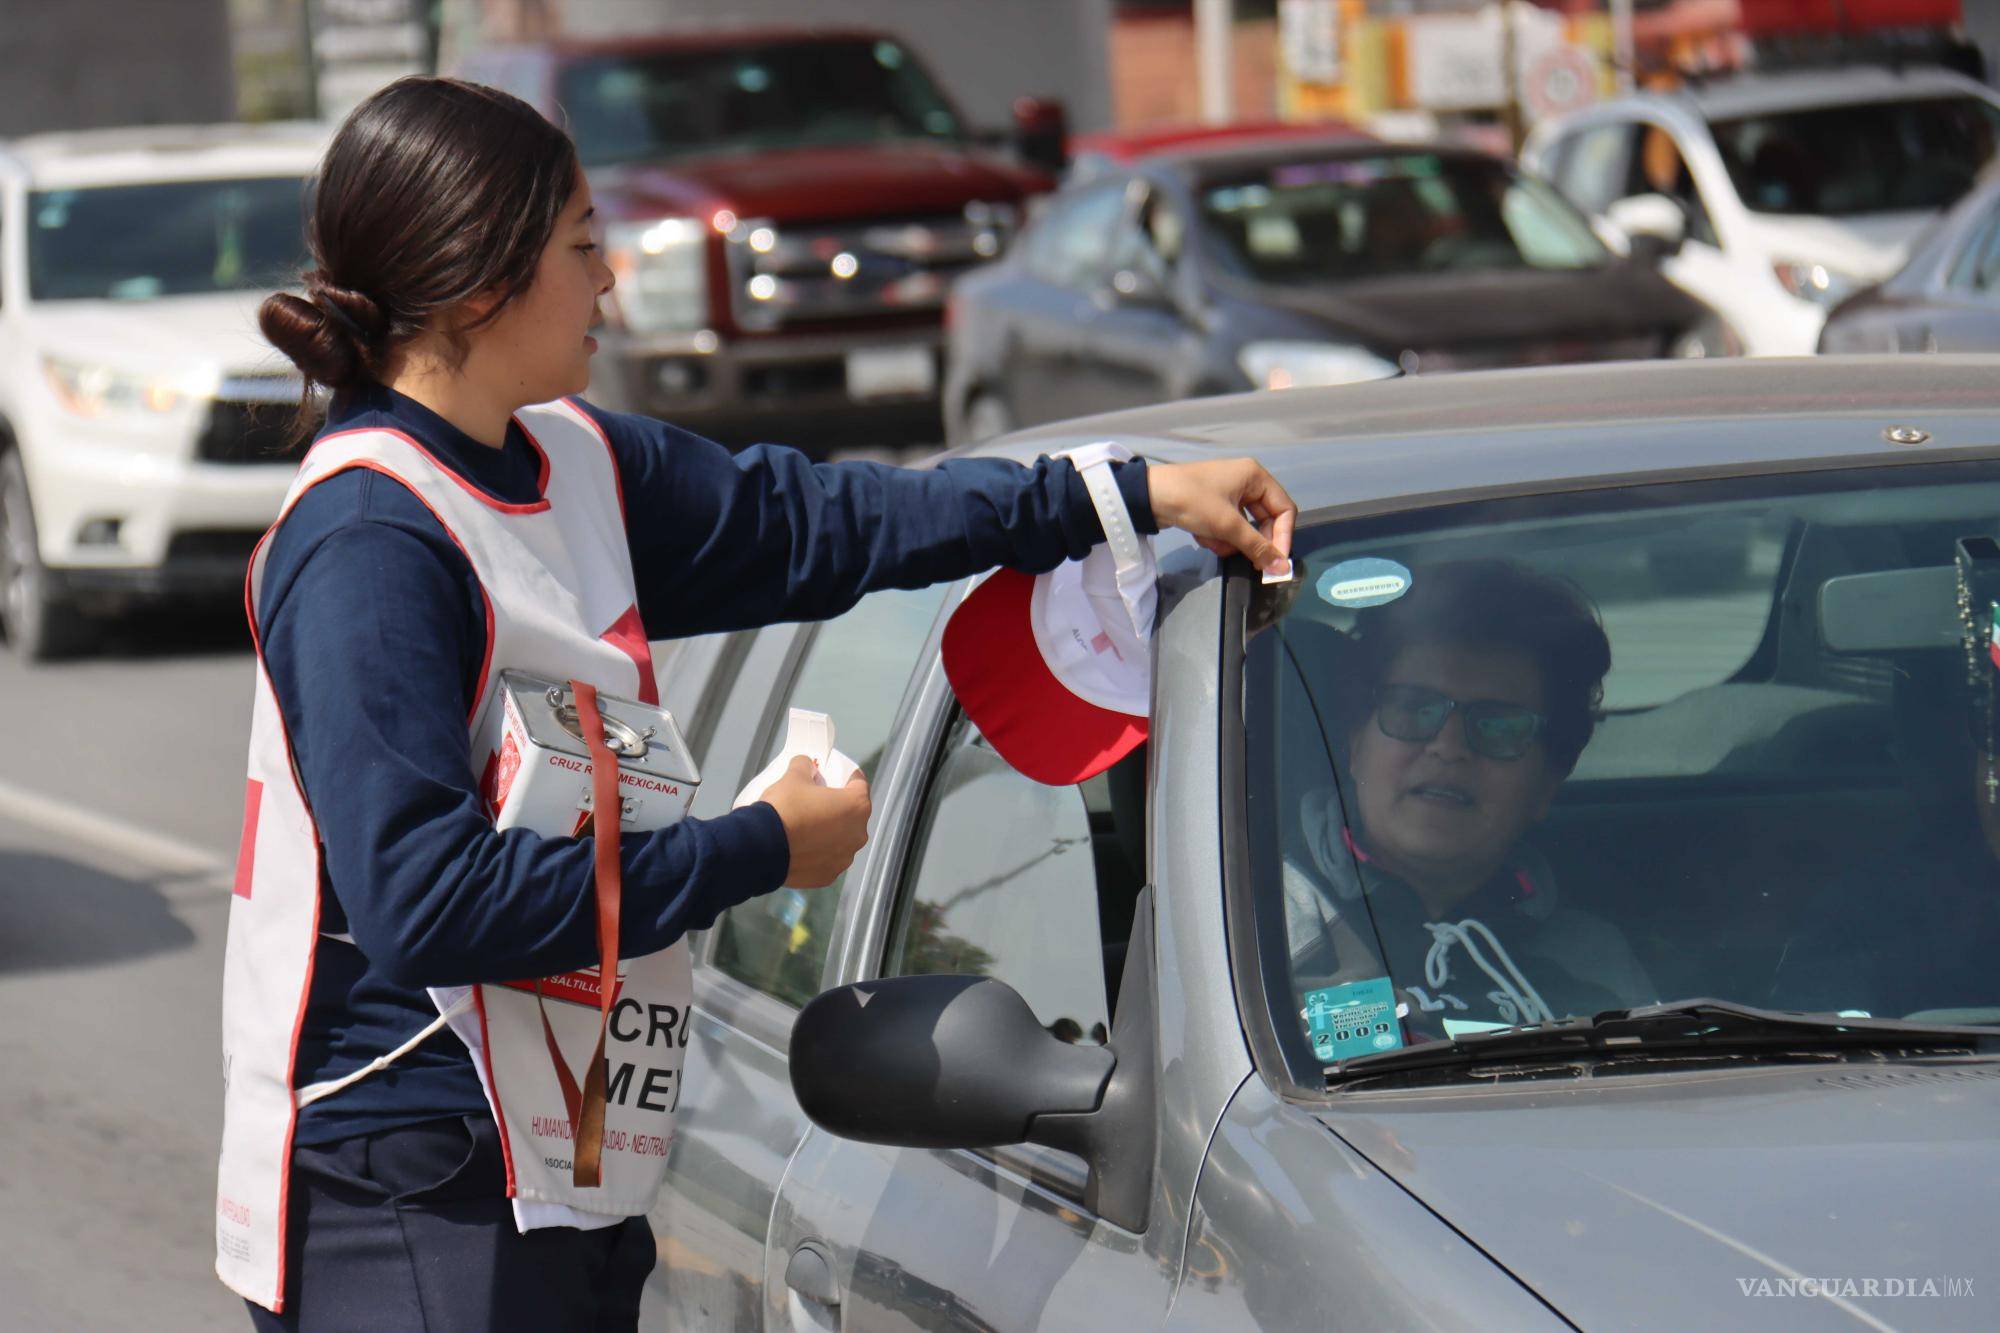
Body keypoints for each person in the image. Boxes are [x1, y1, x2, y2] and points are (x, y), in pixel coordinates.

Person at [217, 76, 1295, 1331]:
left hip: (564, 1152)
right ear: (475, 285)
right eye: (580, 246)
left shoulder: (570, 456)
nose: (610, 279)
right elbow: (426, 904)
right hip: (408, 1185)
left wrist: (1116, 497)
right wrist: (757, 848)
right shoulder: (368, 540)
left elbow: (821, 521)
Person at [1282, 560, 1651, 1043]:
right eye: (1415, 709)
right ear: (1355, 745)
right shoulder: (1260, 923)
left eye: (1499, 726)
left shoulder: (1592, 963)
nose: (1449, 746)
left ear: (1547, 784)